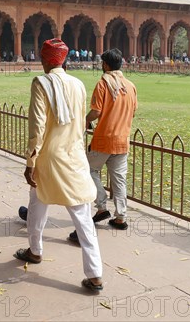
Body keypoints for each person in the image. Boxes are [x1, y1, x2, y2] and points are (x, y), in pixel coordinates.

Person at [14, 38, 103, 291]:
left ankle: (35, 250)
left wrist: (30, 160)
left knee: (37, 206)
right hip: (73, 157)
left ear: (44, 59)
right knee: (83, 218)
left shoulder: (40, 82)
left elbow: (38, 127)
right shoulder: (78, 84)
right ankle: (95, 274)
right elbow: (80, 125)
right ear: (62, 60)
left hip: (48, 158)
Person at [69, 48, 137, 243]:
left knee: (90, 170)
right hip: (122, 140)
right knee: (119, 179)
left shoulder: (103, 84)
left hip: (104, 139)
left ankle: (101, 207)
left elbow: (96, 111)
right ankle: (121, 217)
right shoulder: (131, 86)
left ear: (106, 65)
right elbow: (132, 112)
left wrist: (84, 121)